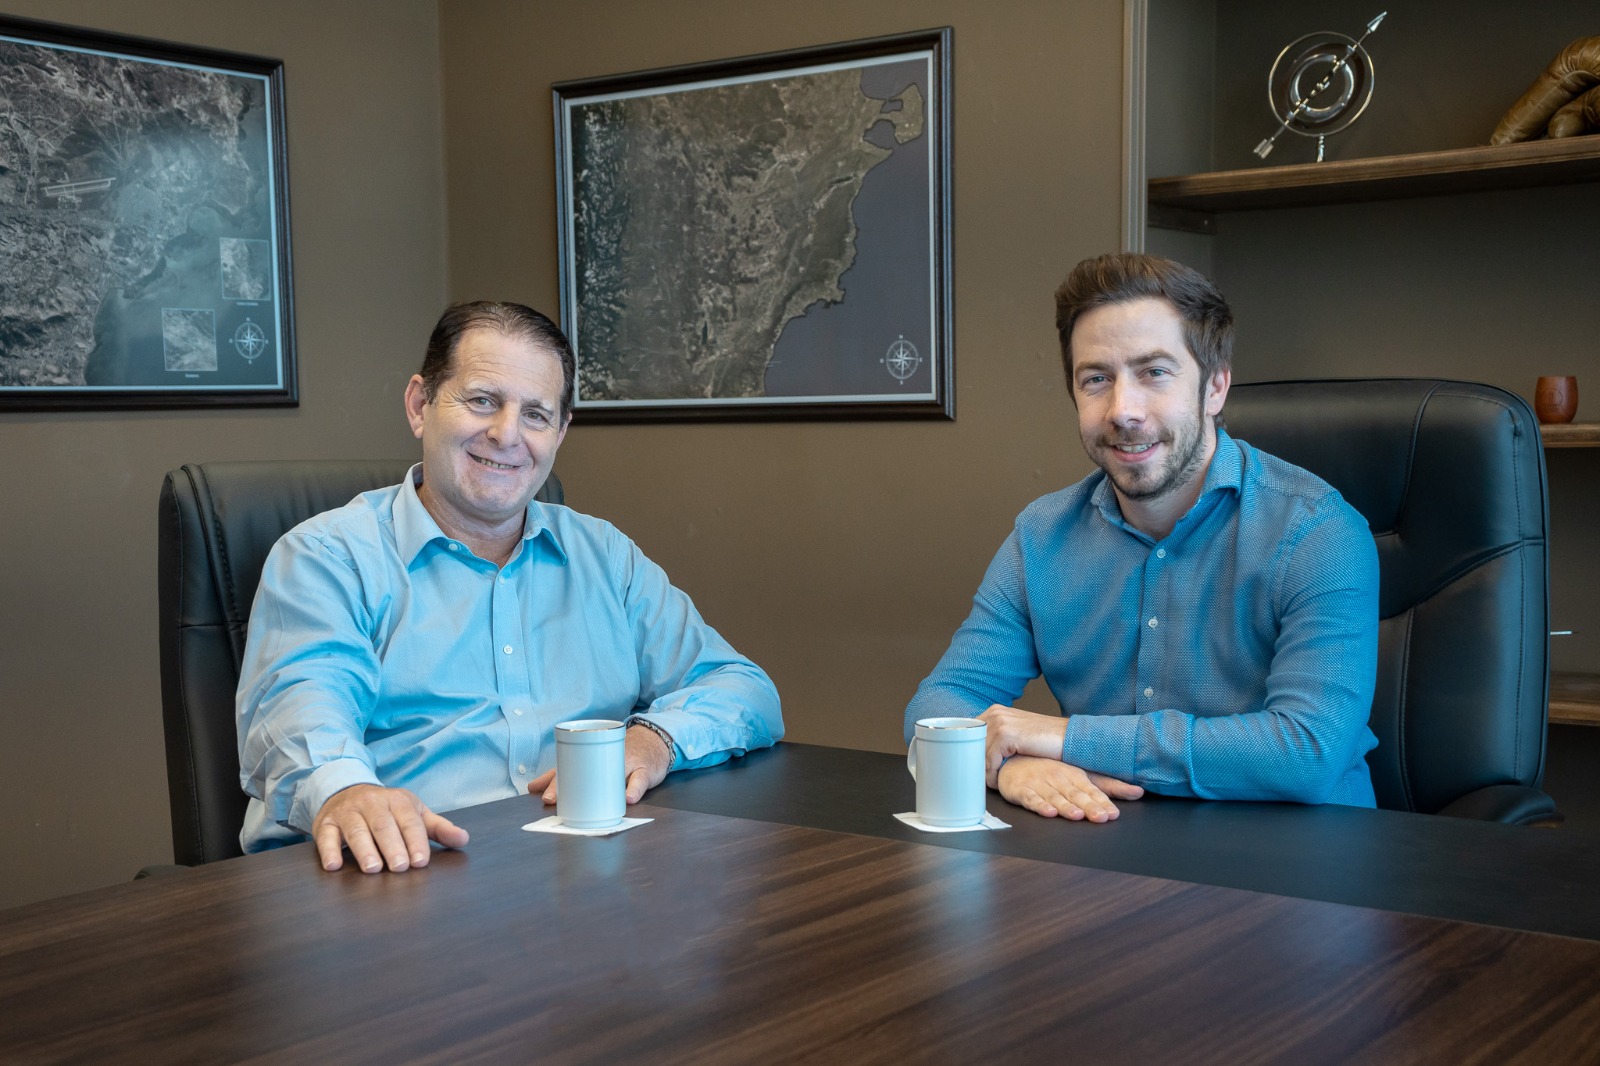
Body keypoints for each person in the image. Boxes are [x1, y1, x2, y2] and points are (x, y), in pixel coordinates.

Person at [238, 301, 783, 872]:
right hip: (392, 871)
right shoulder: (328, 558)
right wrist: (347, 790)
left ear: (560, 433)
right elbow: (301, 715)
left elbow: (744, 689)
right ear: (420, 405)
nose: (506, 435)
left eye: (536, 415)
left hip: (574, 872)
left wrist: (653, 740)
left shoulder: (605, 557)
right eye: (482, 401)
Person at [904, 253, 1378, 823]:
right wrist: (1007, 767)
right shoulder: (1042, 536)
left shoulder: (1317, 532)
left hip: (1301, 859)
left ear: (1215, 387)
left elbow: (1307, 750)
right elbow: (938, 705)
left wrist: (1065, 739)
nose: (1123, 410)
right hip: (1106, 846)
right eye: (1096, 379)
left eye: (1154, 372)